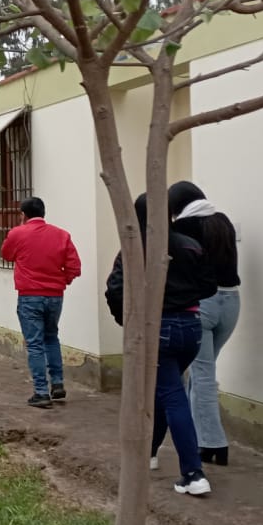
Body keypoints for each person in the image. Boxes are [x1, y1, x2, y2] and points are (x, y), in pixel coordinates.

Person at [105, 193, 217, 496]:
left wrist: (127, 323)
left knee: (172, 395)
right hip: (191, 329)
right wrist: (184, 295)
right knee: (166, 393)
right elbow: (210, 284)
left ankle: (193, 474)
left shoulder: (134, 247)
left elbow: (114, 290)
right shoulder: (190, 244)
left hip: (159, 330)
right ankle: (150, 454)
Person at [169, 181, 240, 467]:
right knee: (200, 375)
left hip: (203, 306)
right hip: (232, 303)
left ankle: (213, 443)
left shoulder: (184, 228)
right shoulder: (223, 222)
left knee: (202, 376)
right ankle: (200, 435)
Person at [1, 197, 82, 408]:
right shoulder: (62, 235)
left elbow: (7, 254)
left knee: (35, 344)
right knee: (51, 337)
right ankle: (57, 383)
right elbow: (74, 267)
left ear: (23, 215)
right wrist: (62, 281)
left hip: (29, 295)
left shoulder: (18, 233)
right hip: (55, 295)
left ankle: (40, 391)